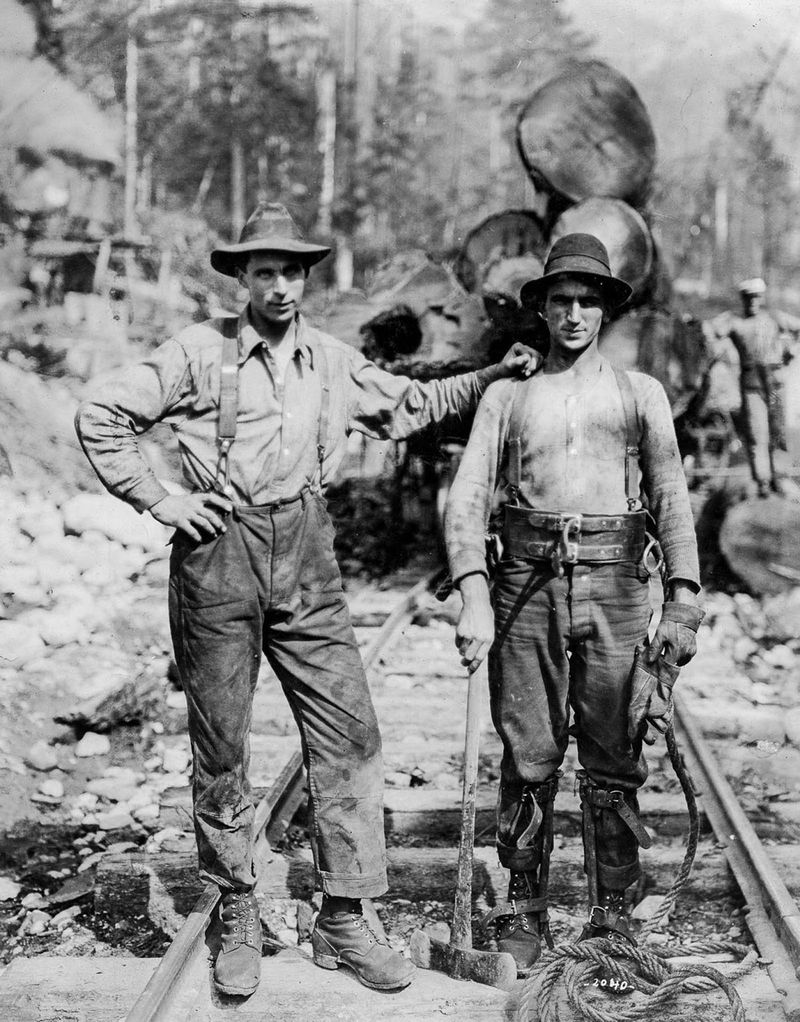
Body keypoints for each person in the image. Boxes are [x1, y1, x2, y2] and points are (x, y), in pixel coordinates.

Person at [74, 202, 538, 998]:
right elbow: (101, 414)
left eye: (292, 271)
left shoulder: (329, 360)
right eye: (265, 272)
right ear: (243, 279)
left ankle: (345, 917)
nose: (280, 286)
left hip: (308, 558)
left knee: (351, 735)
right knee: (222, 751)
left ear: (306, 278)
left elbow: (408, 406)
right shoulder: (198, 351)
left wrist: (492, 376)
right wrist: (162, 499)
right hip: (218, 558)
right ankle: (236, 910)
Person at [444, 233, 703, 976]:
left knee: (615, 753)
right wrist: (471, 595)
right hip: (525, 583)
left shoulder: (638, 394)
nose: (574, 313)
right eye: (561, 299)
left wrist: (682, 602)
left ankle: (612, 914)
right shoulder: (508, 395)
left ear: (607, 309)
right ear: (543, 308)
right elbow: (467, 500)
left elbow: (671, 497)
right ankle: (524, 908)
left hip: (618, 582)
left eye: (588, 300)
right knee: (528, 752)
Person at [709, 278, 800, 497]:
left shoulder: (775, 317)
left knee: (778, 431)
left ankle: (782, 479)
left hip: (776, 382)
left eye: (757, 297)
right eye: (748, 297)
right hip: (752, 385)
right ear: (743, 299)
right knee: (757, 433)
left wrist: (792, 350)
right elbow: (710, 331)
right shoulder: (735, 321)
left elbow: (797, 328)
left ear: (763, 297)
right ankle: (763, 483)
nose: (753, 302)